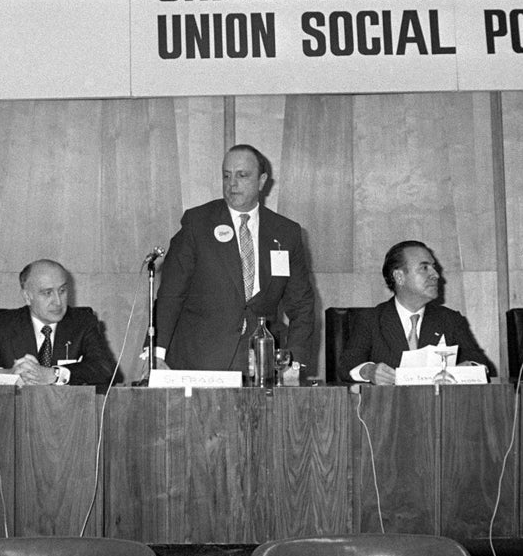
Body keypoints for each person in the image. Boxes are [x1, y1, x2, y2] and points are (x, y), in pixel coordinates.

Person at [150, 144, 315, 372]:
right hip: (199, 362)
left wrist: (293, 362)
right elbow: (170, 294)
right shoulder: (197, 223)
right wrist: (156, 354)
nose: (232, 184)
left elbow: (301, 305)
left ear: (262, 180)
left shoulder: (286, 233)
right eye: (226, 176)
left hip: (260, 365)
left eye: (242, 175)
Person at [338, 240, 493, 383]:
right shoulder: (370, 320)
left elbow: (477, 360)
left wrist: (470, 369)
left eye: (434, 267)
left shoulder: (450, 319)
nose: (436, 275)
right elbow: (347, 366)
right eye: (424, 268)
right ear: (399, 276)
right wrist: (369, 371)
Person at [0, 259, 118, 386]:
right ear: (28, 297)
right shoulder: (5, 325)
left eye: (62, 291)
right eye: (47, 293)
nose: (57, 301)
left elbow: (105, 369)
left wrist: (54, 375)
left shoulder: (82, 322)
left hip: (69, 416)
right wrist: (7, 374)